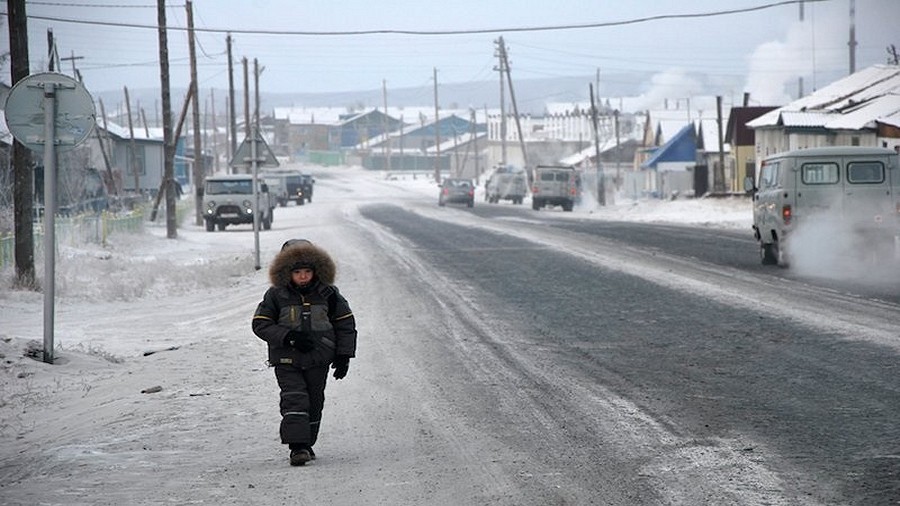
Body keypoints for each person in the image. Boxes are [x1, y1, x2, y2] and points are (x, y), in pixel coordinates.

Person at [252, 239, 357, 466]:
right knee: (294, 399)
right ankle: (297, 447)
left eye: (307, 271)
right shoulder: (275, 296)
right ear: (285, 272)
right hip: (286, 359)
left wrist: (343, 355)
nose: (302, 277)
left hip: (318, 359)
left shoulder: (328, 294)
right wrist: (289, 337)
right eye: (297, 272)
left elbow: (345, 323)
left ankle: (307, 442)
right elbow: (260, 324)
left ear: (316, 271)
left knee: (314, 401)